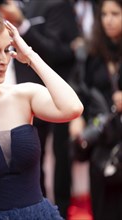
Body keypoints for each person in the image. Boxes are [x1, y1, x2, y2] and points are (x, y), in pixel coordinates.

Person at [0, 11, 83, 219]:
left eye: (8, 50)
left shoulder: (23, 94)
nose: (4, 60)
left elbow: (72, 108)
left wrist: (30, 56)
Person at [0, 1, 81, 217]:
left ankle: (59, 209)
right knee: (30, 160)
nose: (2, 57)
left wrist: (23, 28)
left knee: (60, 157)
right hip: (7, 93)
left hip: (48, 90)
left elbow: (61, 53)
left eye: (6, 50)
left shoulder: (54, 5)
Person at [70, 0, 122, 219]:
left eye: (115, 14)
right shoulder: (92, 52)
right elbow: (79, 87)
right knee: (102, 205)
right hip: (101, 135)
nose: (108, 20)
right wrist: (77, 117)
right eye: (104, 14)